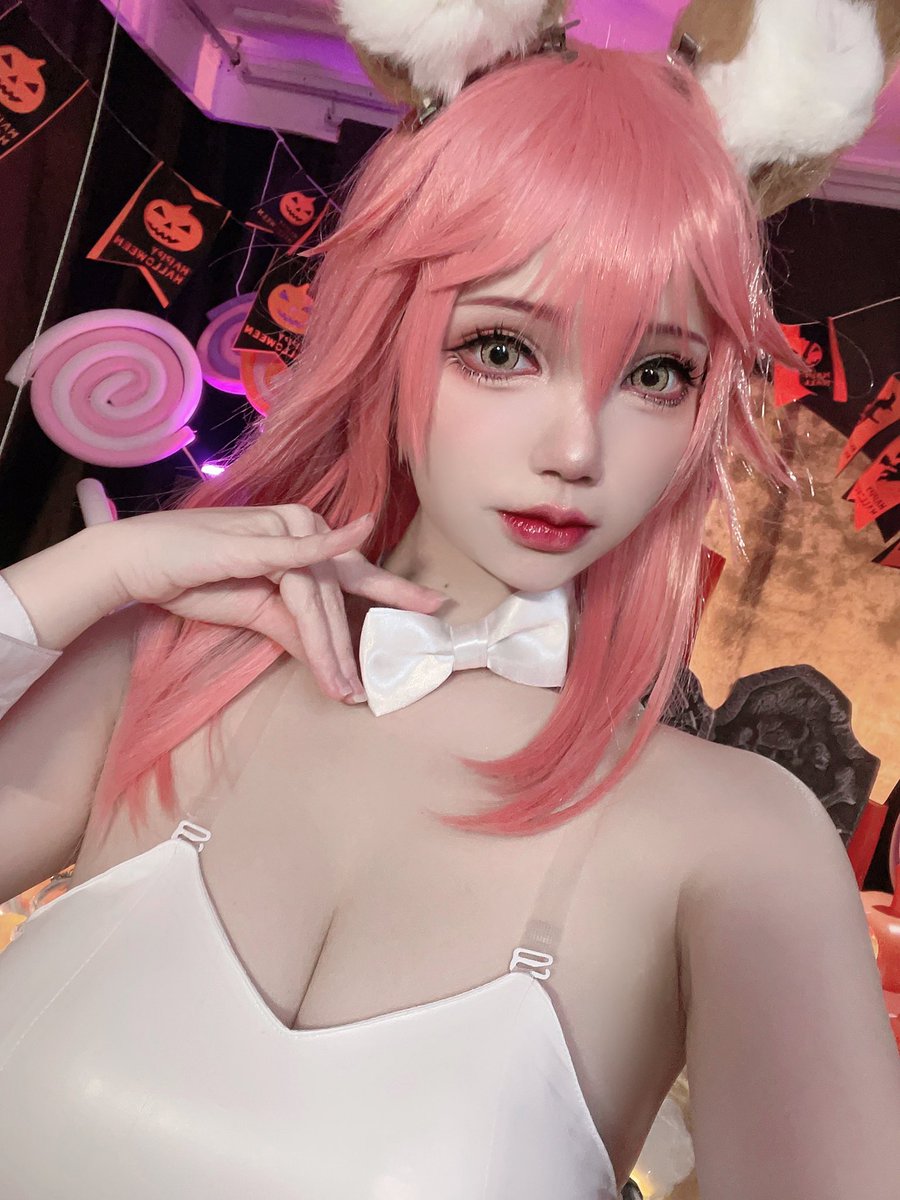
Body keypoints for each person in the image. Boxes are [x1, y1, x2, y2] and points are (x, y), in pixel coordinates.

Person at [1, 20, 899, 1200]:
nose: (576, 448)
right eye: (502, 349)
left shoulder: (738, 843)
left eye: (655, 373)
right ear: (390, 335)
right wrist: (73, 582)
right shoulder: (161, 669)